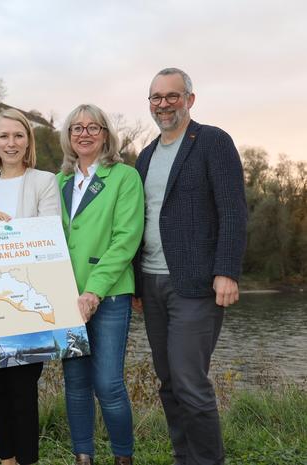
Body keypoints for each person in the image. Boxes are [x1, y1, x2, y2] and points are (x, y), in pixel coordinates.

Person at [134, 68, 247, 465]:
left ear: (190, 100)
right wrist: (135, 285)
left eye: (172, 96)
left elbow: (232, 211)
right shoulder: (145, 156)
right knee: (168, 383)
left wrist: (227, 271)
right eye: (156, 97)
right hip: (151, 282)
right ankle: (185, 457)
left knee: (189, 382)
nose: (163, 104)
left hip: (196, 284)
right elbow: (140, 220)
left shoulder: (212, 141)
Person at [0, 108, 60, 465]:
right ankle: (6, 459)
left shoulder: (44, 181)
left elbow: (49, 235)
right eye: (4, 136)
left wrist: (7, 228)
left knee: (22, 389)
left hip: (27, 299)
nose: (11, 142)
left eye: (18, 135)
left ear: (28, 141)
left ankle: (28, 460)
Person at [57, 104, 144, 465]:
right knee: (76, 386)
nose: (85, 133)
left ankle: (123, 457)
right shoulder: (59, 181)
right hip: (66, 296)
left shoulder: (124, 177)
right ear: (68, 137)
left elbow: (126, 238)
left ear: (106, 134)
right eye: (77, 128)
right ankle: (83, 457)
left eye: (93, 127)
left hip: (107, 296)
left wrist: (94, 290)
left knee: (108, 384)